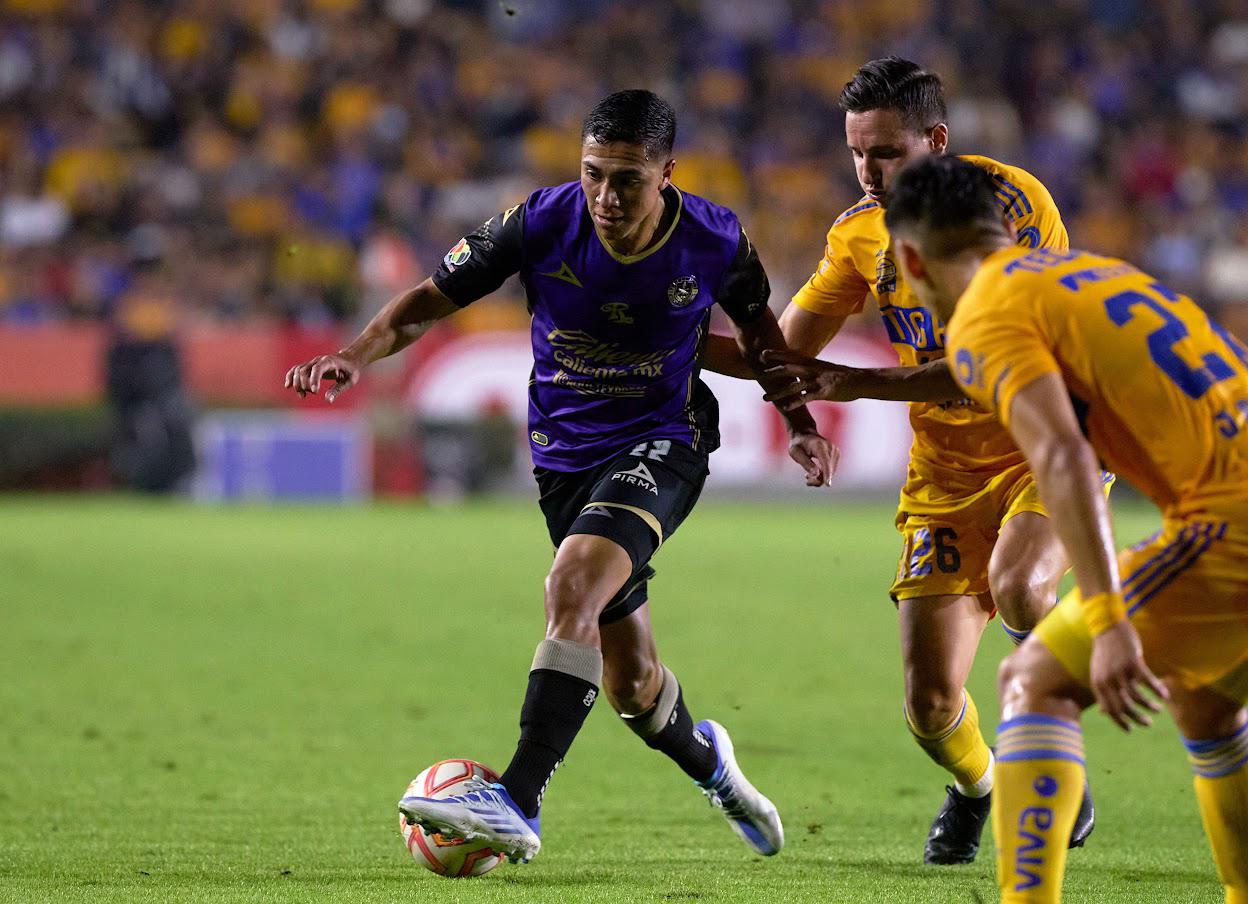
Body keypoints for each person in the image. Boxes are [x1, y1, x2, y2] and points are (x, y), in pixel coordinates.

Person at [284, 90, 838, 864]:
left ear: (667, 174)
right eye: (593, 174)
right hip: (563, 456)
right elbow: (427, 303)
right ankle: (713, 766)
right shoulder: (541, 221)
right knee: (631, 684)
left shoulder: (714, 239)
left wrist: (800, 423)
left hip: (664, 439)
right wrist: (354, 354)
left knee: (571, 585)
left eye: (627, 180)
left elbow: (761, 341)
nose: (606, 197)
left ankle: (516, 799)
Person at [883, 154, 1248, 903]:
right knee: (1207, 704)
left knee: (1032, 683)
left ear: (913, 260)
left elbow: (1063, 456)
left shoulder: (984, 312)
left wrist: (1108, 620)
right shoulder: (1090, 272)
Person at [705, 58, 1093, 864]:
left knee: (1022, 587)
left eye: (885, 152)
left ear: (936, 139)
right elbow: (782, 352)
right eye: (856, 152)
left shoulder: (1012, 204)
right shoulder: (857, 234)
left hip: (1044, 441)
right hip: (945, 475)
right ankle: (980, 788)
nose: (868, 171)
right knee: (929, 707)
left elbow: (1001, 363)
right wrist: (665, 340)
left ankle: (1050, 743)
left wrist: (853, 383)